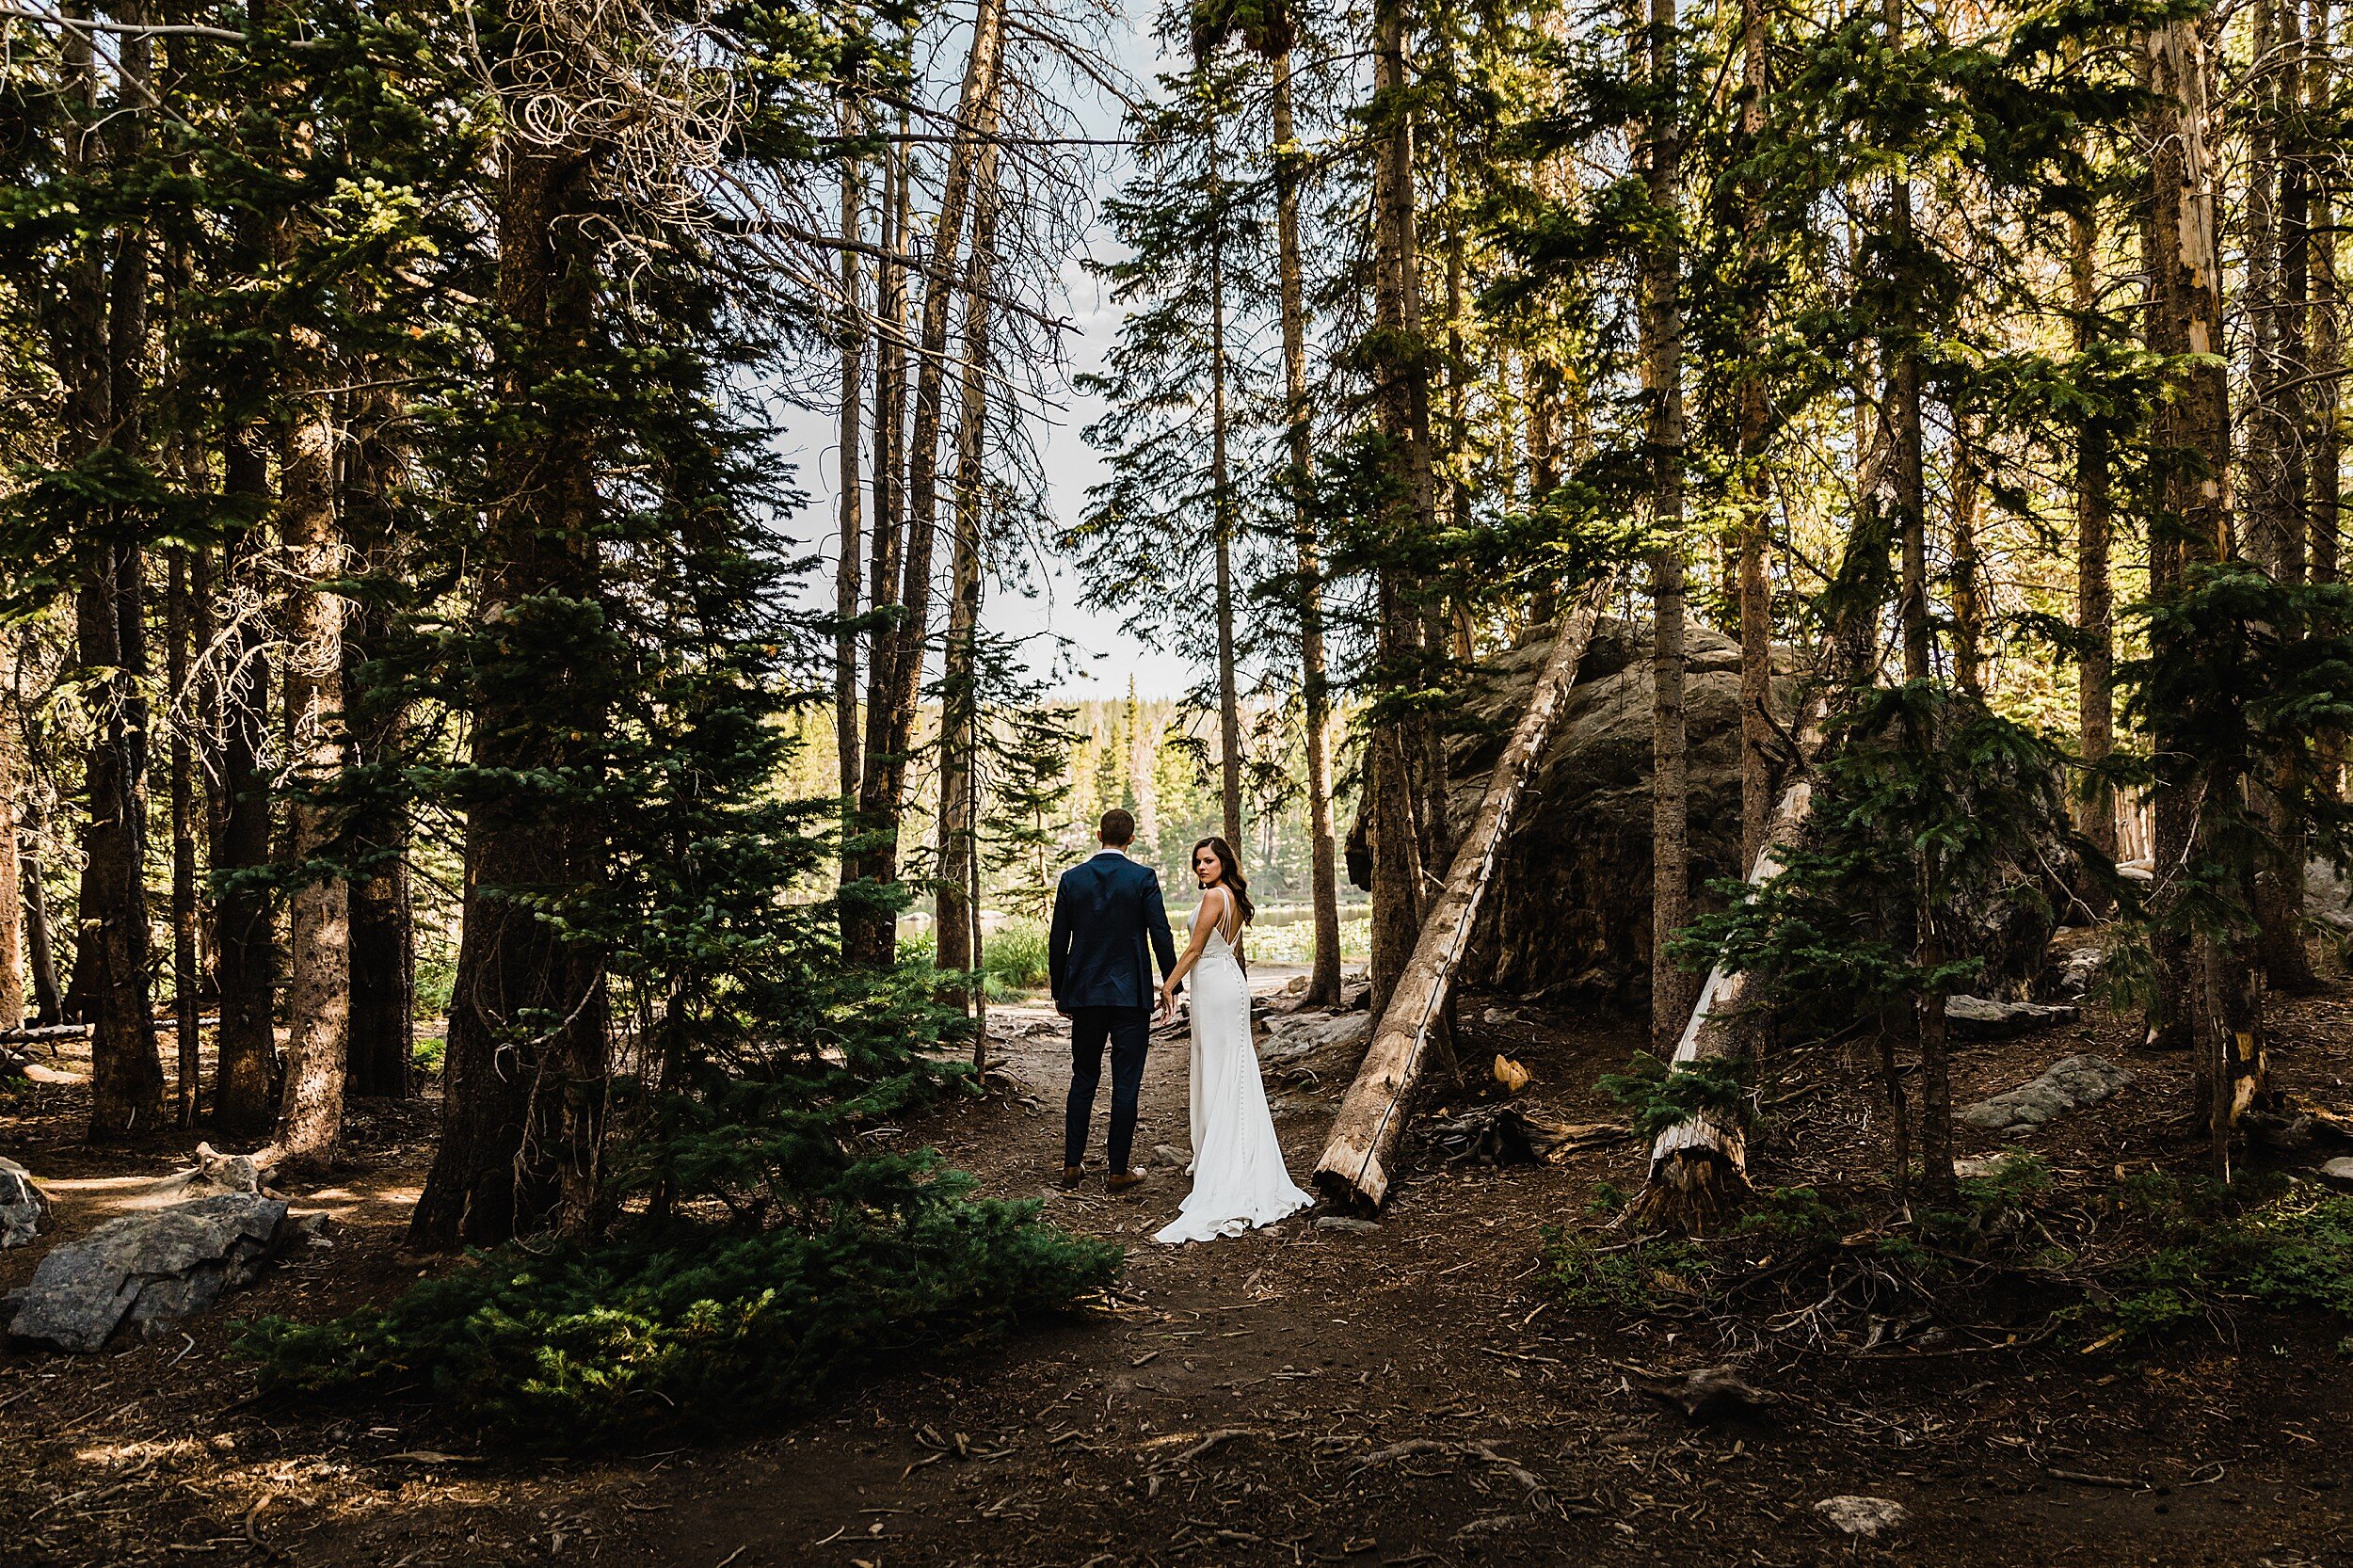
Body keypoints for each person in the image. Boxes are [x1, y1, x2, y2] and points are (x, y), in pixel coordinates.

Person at [1152, 836, 1313, 1244]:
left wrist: (1168, 987)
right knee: (1231, 1070)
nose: (1200, 868)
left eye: (1208, 861)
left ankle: (1226, 1165)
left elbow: (1192, 950)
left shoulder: (1214, 899)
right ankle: (1226, 1154)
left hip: (1216, 987)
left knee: (1225, 1071)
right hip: (1224, 983)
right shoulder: (1233, 897)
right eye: (1197, 862)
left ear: (1223, 862)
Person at [1048, 808, 1178, 1192]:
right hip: (1130, 996)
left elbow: (1059, 940)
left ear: (1098, 833)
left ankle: (1072, 1165)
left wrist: (1061, 990)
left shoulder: (1073, 879)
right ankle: (1117, 1171)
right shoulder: (1142, 878)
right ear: (1131, 839)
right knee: (1126, 1083)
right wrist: (1172, 985)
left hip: (1086, 995)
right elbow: (1160, 933)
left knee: (1083, 1077)